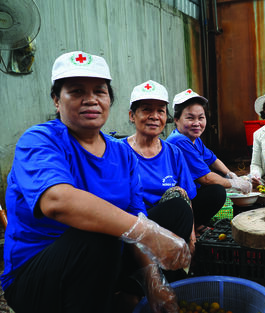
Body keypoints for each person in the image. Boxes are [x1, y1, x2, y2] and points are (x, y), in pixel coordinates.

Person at [0, 51, 190, 313]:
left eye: (99, 91)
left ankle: (130, 296)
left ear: (109, 100)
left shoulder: (122, 153)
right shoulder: (41, 140)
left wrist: (152, 278)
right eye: (76, 91)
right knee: (102, 233)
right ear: (57, 100)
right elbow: (57, 201)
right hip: (39, 276)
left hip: (103, 261)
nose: (90, 100)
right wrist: (147, 232)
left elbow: (136, 214)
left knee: (175, 209)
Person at [123, 79, 197, 265]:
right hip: (134, 223)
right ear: (132, 115)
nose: (154, 116)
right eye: (147, 109)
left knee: (181, 199)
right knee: (178, 205)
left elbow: (187, 198)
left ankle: (174, 265)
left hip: (168, 218)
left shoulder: (173, 152)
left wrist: (192, 235)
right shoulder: (119, 151)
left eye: (160, 111)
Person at [166, 89, 251, 235]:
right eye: (190, 118)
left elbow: (212, 159)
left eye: (201, 117)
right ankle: (193, 225)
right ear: (176, 119)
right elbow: (205, 178)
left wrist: (231, 174)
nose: (197, 123)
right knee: (216, 192)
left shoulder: (193, 139)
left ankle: (197, 223)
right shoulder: (179, 141)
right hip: (179, 201)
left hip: (189, 194)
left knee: (217, 187)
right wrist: (235, 184)